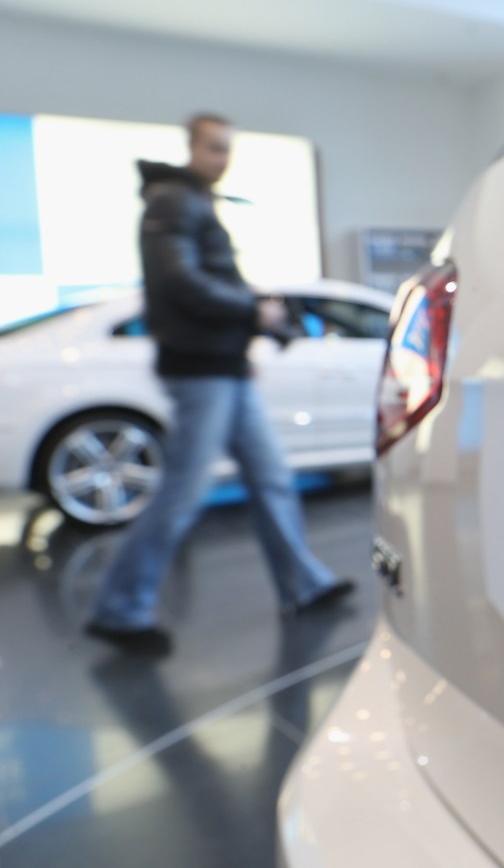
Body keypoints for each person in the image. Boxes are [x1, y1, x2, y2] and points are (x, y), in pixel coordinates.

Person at [86, 113, 352, 654]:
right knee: (184, 491)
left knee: (272, 478)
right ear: (191, 147)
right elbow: (179, 284)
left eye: (227, 148)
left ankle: (303, 583)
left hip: (224, 367)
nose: (221, 158)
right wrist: (253, 313)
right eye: (213, 148)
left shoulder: (195, 202)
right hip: (200, 371)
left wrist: (241, 342)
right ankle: (120, 608)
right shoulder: (172, 201)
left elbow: (206, 282)